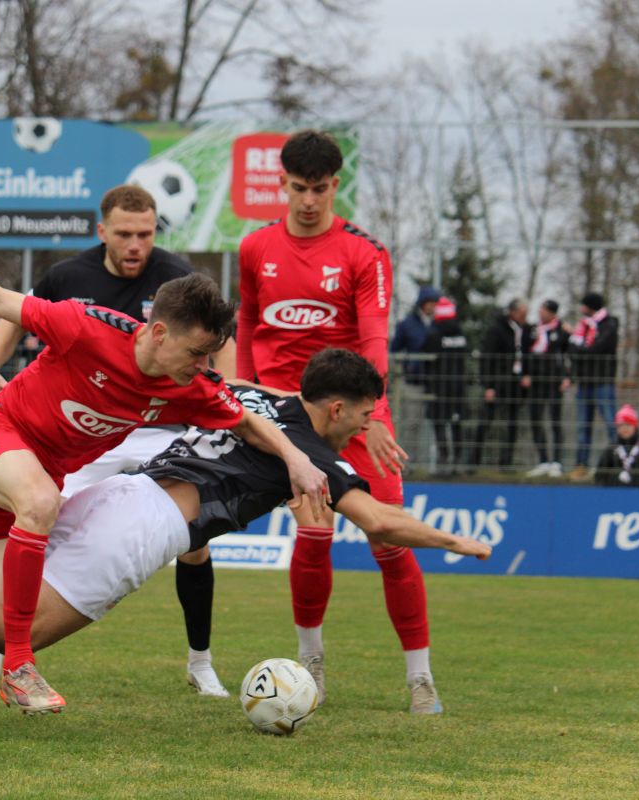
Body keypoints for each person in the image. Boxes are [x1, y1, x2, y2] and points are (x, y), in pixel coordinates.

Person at [0, 349, 492, 720]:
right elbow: (379, 522)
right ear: (336, 408)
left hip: (115, 490)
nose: (365, 430)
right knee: (5, 632)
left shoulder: (249, 397)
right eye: (364, 418)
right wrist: (459, 542)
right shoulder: (318, 454)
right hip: (139, 531)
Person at [0, 241, 330, 715]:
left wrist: (294, 458)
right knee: (41, 505)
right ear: (159, 334)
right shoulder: (85, 325)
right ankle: (20, 667)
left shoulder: (189, 386)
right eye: (197, 353)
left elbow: (244, 416)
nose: (204, 367)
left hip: (37, 467)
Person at [0, 183, 228, 696]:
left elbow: (218, 349)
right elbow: (12, 311)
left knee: (196, 540)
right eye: (125, 234)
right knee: (35, 516)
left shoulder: (179, 279)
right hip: (87, 436)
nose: (136, 245)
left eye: (146, 234)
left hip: (160, 429)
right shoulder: (68, 277)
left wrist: (218, 409)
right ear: (102, 230)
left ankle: (201, 663)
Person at [230, 128, 443, 714]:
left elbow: (375, 336)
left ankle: (420, 678)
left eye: (319, 189)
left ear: (335, 186)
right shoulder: (255, 249)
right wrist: (245, 399)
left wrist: (370, 415)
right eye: (298, 188)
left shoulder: (363, 251)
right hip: (288, 416)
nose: (307, 201)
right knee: (315, 533)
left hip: (357, 414)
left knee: (389, 539)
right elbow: (249, 327)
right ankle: (312, 663)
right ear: (283, 182)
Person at [470, 299, 532, 471]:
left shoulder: (526, 330)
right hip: (497, 382)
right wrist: (488, 385)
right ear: (512, 312)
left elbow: (527, 353)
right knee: (486, 421)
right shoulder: (497, 330)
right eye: (522, 314)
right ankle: (473, 462)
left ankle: (506, 462)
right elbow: (487, 357)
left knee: (513, 423)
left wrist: (526, 373)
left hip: (516, 384)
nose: (524, 317)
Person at [568, 292, 619, 480]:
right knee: (583, 426)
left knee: (611, 425)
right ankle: (581, 465)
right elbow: (572, 349)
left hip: (603, 381)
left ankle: (619, 463)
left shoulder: (609, 325)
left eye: (584, 306)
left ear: (592, 307)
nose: (582, 310)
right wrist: (581, 351)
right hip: (585, 382)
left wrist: (581, 350)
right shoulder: (582, 326)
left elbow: (596, 349)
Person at [390, 284, 442, 468]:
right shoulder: (407, 324)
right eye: (429, 302)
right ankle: (408, 465)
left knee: (437, 424)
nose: (432, 306)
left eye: (435, 302)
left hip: (437, 382)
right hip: (414, 381)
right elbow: (394, 349)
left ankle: (433, 466)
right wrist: (408, 364)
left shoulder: (441, 323)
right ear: (422, 303)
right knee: (412, 424)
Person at [525, 299, 571, 478]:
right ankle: (543, 460)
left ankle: (557, 462)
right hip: (536, 381)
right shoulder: (532, 329)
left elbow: (569, 354)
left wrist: (568, 376)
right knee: (536, 419)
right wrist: (526, 373)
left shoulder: (562, 330)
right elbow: (525, 351)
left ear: (551, 313)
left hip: (554, 380)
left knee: (555, 421)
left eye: (543, 310)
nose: (540, 313)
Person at [421, 296, 467, 475]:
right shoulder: (460, 333)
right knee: (457, 423)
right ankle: (457, 461)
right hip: (458, 386)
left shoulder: (434, 334)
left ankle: (443, 458)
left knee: (439, 423)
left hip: (439, 386)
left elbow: (426, 357)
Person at [594, 404, 639, 487]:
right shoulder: (611, 449)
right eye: (620, 425)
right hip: (614, 493)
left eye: (628, 425)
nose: (624, 429)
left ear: (635, 426)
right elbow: (600, 473)